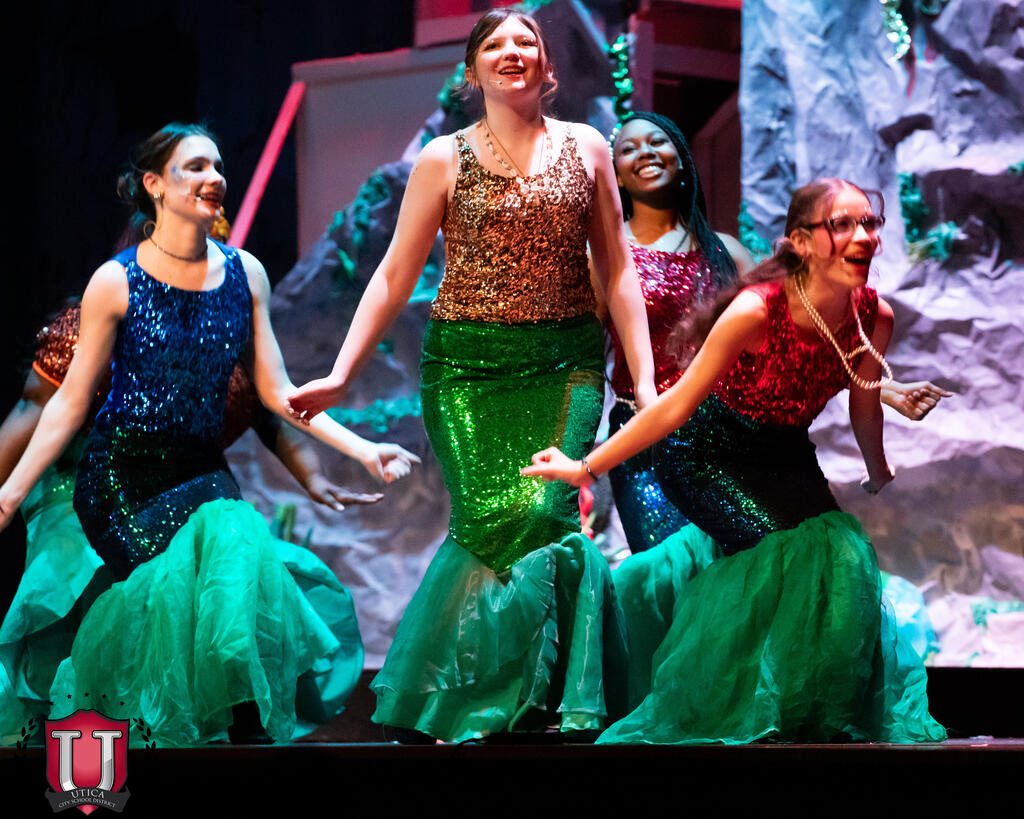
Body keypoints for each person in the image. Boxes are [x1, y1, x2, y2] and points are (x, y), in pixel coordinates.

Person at [287, 9, 656, 742]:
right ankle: (481, 699)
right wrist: (340, 374)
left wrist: (642, 383)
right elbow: (393, 275)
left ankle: (542, 698)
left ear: (547, 67)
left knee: (546, 513)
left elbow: (618, 273)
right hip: (467, 371)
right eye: (495, 44)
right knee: (489, 525)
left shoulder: (587, 146)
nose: (512, 51)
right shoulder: (442, 158)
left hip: (564, 366)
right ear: (471, 70)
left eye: (527, 42)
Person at [0, 123, 418, 746]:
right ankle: (171, 733)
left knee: (233, 551)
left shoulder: (246, 273)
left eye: (218, 166)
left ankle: (224, 737)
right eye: (195, 166)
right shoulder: (115, 280)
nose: (214, 178)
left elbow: (279, 394)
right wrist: (9, 495)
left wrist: (363, 449)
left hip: (201, 474)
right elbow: (66, 403)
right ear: (154, 184)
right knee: (208, 564)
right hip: (123, 480)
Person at [523, 178, 946, 744]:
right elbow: (674, 407)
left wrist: (878, 467)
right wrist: (586, 467)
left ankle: (809, 710)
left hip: (784, 450)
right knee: (795, 554)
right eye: (841, 224)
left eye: (869, 223)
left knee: (840, 554)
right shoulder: (757, 310)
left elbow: (864, 399)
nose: (863, 236)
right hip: (706, 453)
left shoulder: (875, 316)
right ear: (800, 241)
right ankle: (740, 708)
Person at [0, 300, 383, 745]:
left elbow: (274, 411)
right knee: (94, 574)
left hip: (190, 480)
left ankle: (231, 712)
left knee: (233, 551)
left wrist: (316, 478)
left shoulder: (235, 318)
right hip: (95, 477)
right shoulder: (114, 302)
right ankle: (112, 729)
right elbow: (36, 405)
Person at [602, 111, 950, 555]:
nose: (646, 153)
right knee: (675, 570)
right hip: (650, 431)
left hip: (730, 433)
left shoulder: (725, 251)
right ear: (615, 174)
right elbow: (585, 353)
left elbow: (790, 341)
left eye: (657, 141)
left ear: (683, 158)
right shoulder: (608, 258)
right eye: (629, 148)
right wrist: (580, 457)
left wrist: (881, 390)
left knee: (765, 564)